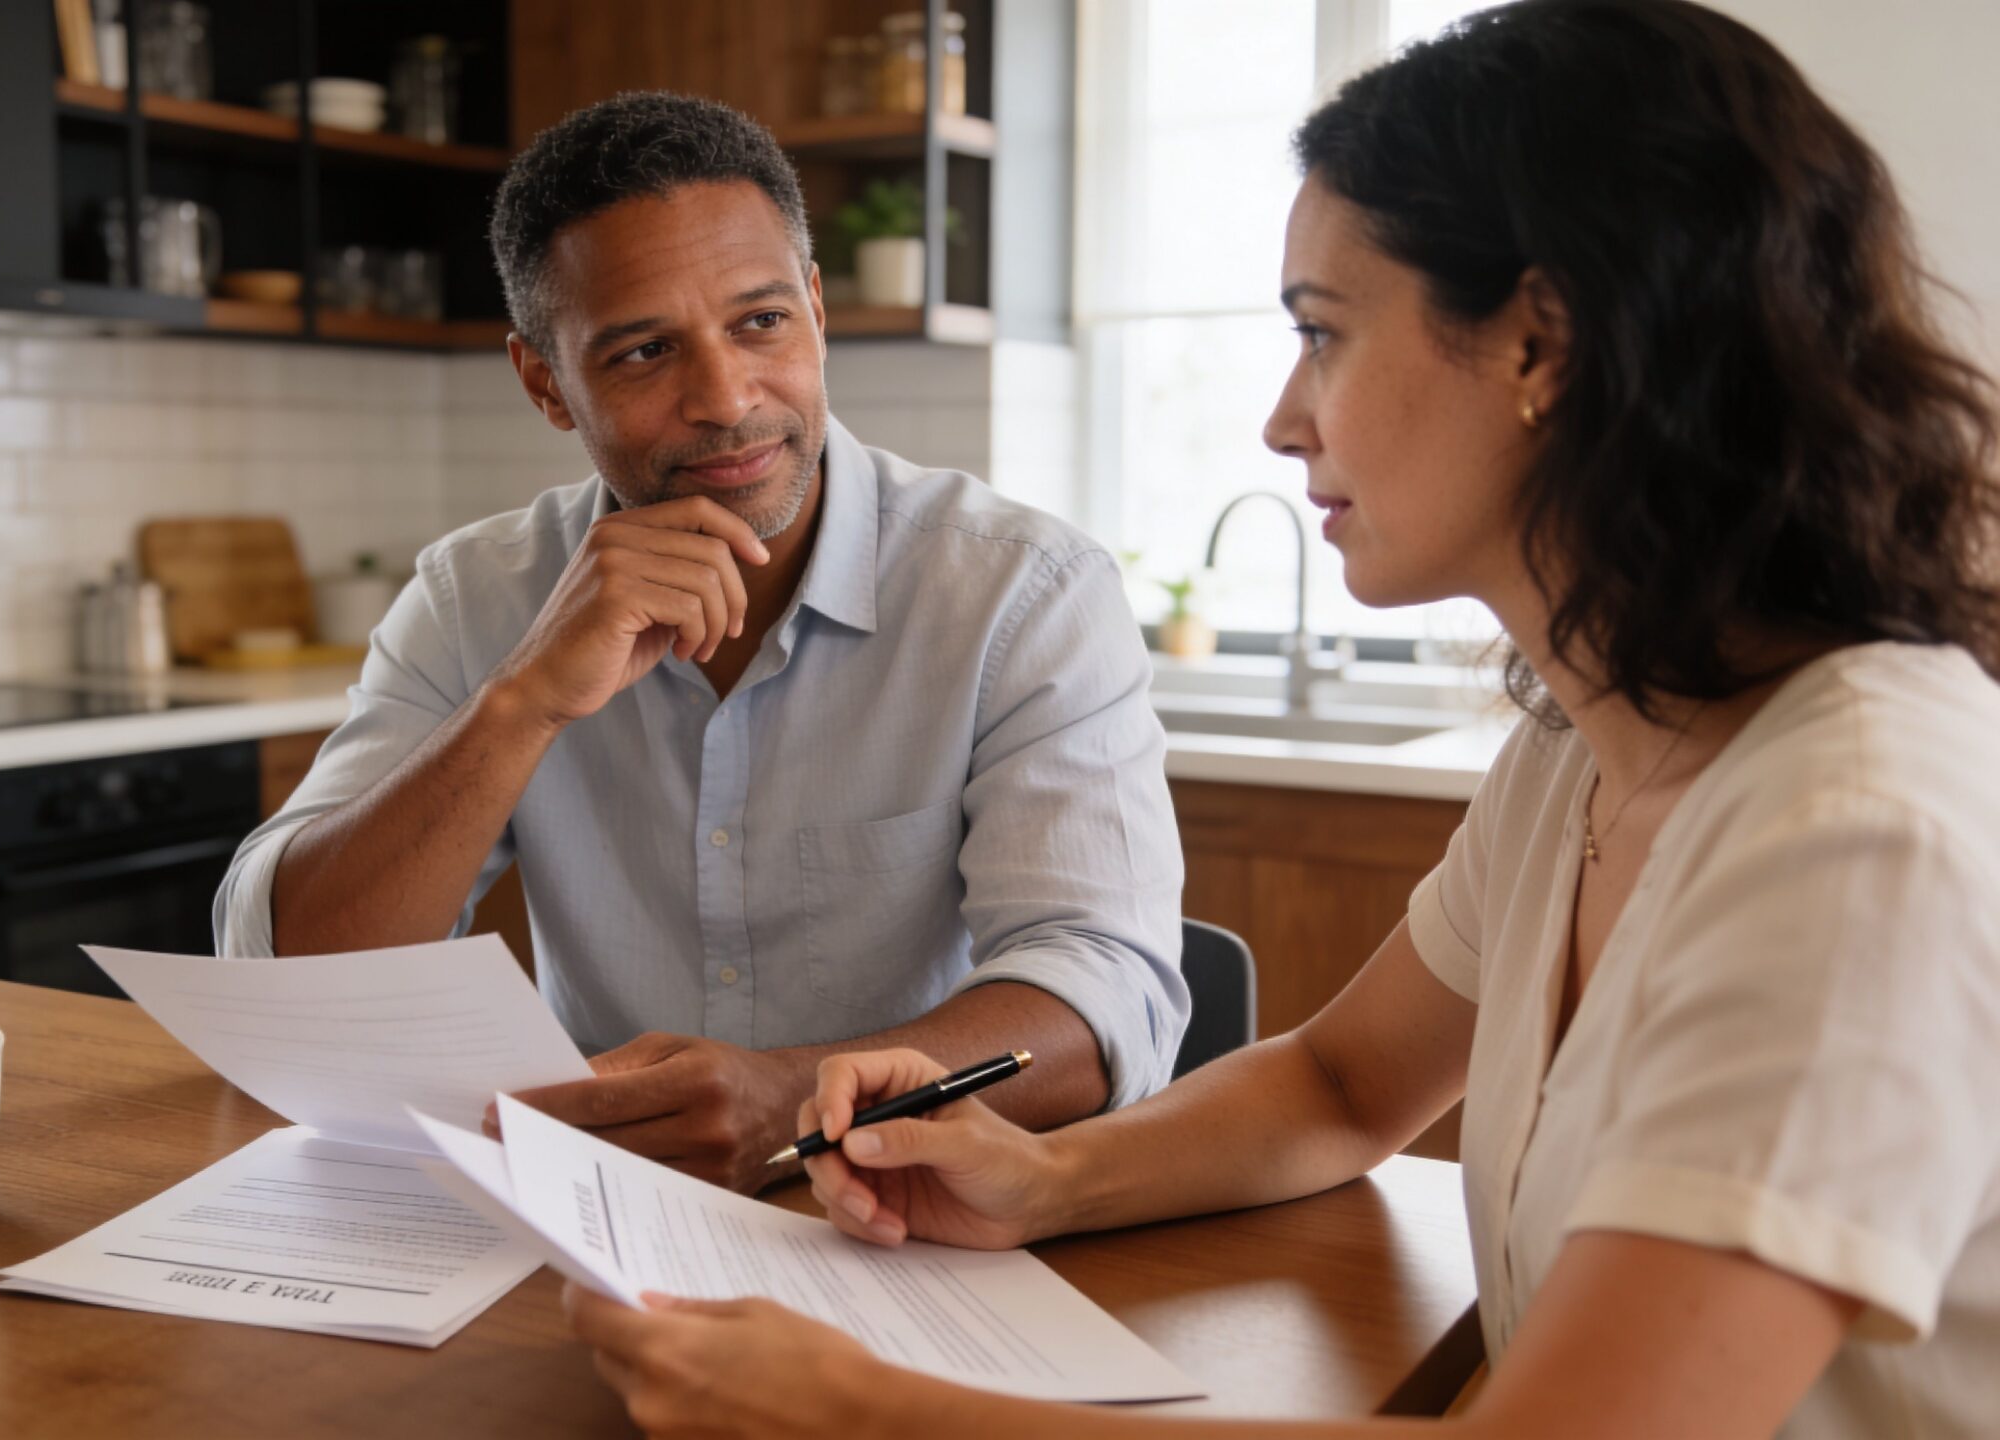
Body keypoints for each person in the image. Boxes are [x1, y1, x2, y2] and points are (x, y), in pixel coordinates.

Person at [562, 2, 2000, 1433]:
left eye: (1322, 334)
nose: (1281, 418)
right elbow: (1339, 1081)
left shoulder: (1851, 831)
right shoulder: (1583, 752)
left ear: (1539, 344)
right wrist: (1047, 1181)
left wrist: (861, 1411)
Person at [213, 92, 1188, 1193]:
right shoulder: (474, 596)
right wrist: (523, 700)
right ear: (544, 382)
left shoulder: (1022, 592)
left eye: (761, 322)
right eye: (641, 351)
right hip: (603, 1215)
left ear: (817, 312)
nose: (726, 400)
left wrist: (797, 1098)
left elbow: (1104, 996)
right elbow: (288, 974)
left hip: (923, 1214)